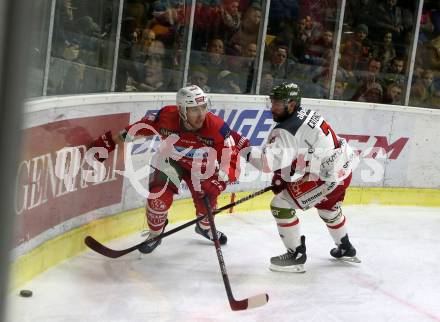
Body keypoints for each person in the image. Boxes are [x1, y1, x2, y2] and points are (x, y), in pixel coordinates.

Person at [88, 85, 239, 254]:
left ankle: (204, 228)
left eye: (203, 107)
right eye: (194, 109)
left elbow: (230, 158)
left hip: (202, 166)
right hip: (171, 161)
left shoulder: (217, 127)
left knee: (207, 209)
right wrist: (108, 143)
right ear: (182, 110)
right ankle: (155, 234)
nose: (201, 114)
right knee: (157, 200)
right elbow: (139, 129)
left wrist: (220, 181)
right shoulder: (167, 116)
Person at [231, 82, 359, 273]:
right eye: (272, 102)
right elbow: (302, 153)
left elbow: (266, 163)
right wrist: (284, 176)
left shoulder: (286, 130)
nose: (272, 107)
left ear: (291, 104)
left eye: (277, 103)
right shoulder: (305, 115)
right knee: (328, 209)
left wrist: (242, 146)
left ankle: (295, 255)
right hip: (344, 167)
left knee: (280, 204)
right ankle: (346, 248)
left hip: (328, 178)